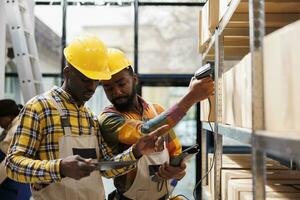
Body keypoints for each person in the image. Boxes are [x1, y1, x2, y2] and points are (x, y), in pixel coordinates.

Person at [5, 35, 170, 200]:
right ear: (67, 73)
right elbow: (13, 165)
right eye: (85, 79)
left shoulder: (90, 117)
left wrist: (136, 151)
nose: (91, 87)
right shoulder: (40, 108)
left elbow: (107, 168)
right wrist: (60, 168)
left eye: (96, 80)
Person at [99, 48, 214, 200]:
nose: (117, 92)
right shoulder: (108, 119)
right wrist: (190, 98)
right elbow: (144, 132)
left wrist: (177, 171)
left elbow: (176, 154)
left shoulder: (157, 110)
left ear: (134, 79)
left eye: (121, 84)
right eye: (109, 88)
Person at [0, 99, 31, 200]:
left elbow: (9, 160)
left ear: (8, 117)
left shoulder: (16, 130)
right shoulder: (16, 124)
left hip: (17, 179)